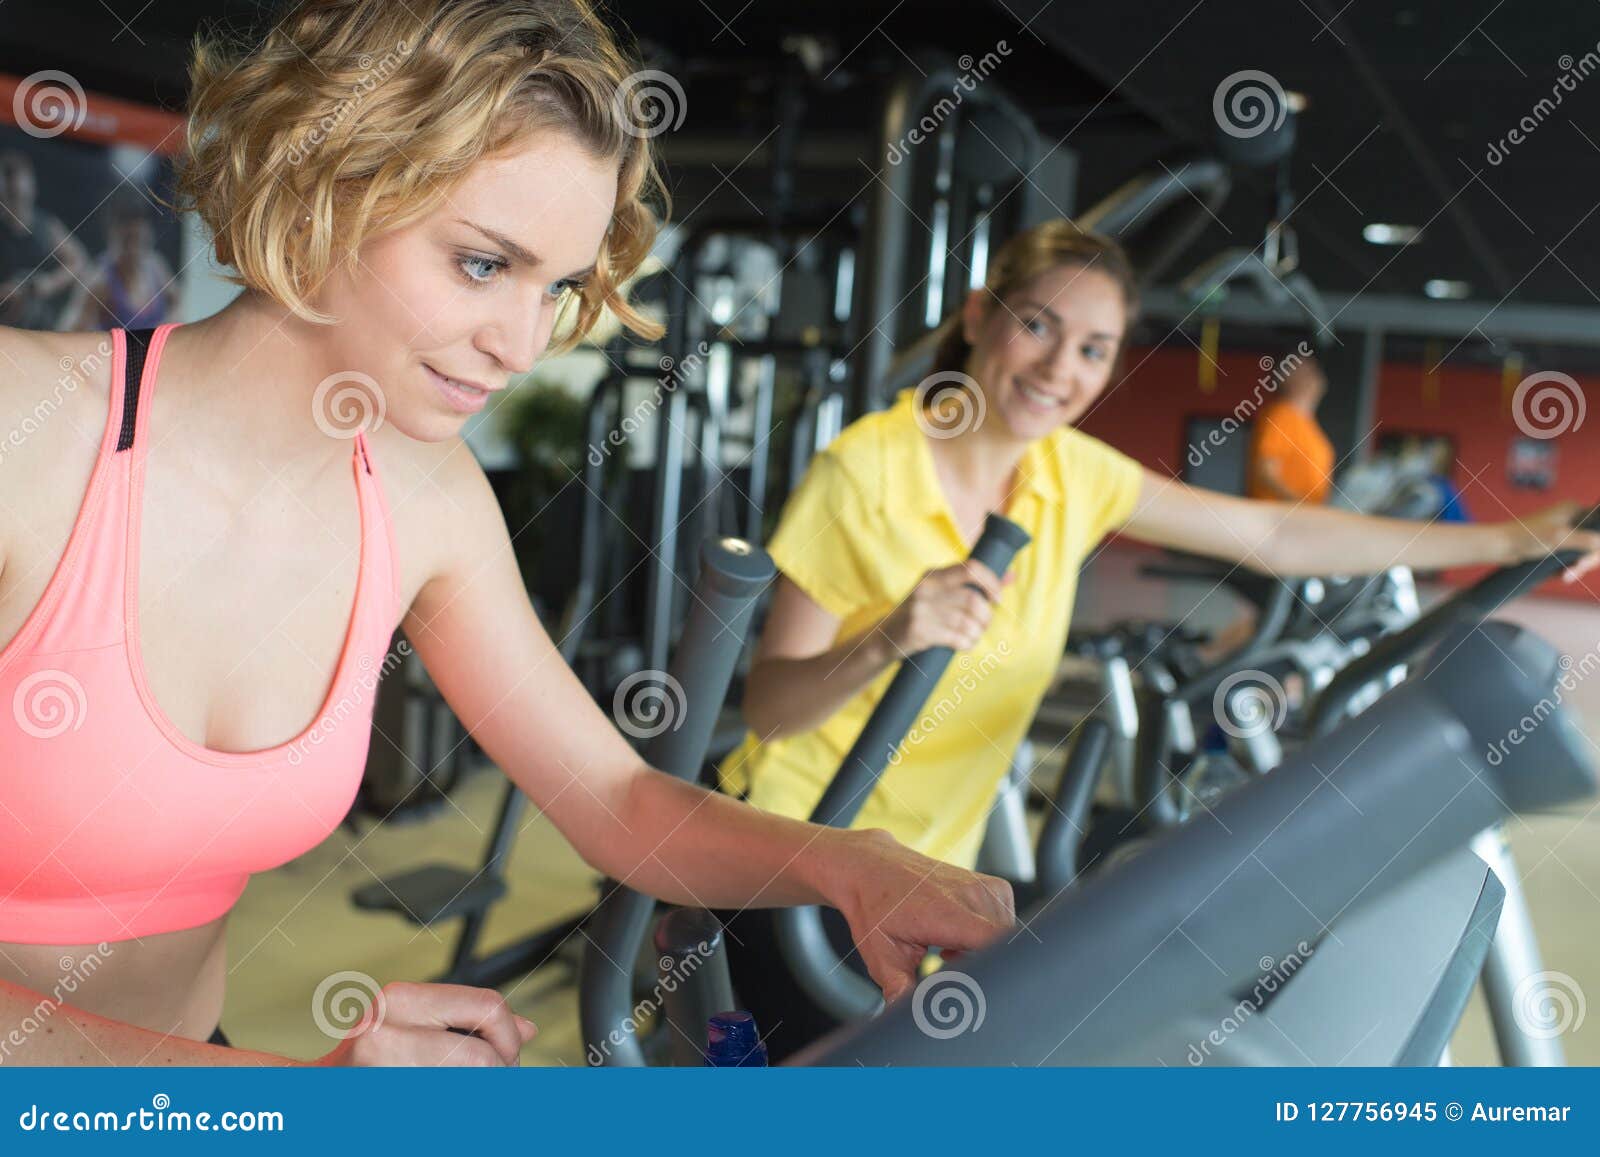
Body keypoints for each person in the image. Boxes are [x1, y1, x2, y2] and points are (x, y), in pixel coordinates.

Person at [0, 0, 1014, 1067]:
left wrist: (847, 863)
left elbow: (616, 800)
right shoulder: (31, 438)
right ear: (323, 190)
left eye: (559, 285)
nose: (521, 342)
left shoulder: (423, 496)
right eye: (483, 264)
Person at [718, 217, 1600, 1058]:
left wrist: (1507, 538)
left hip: (927, 869)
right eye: (1039, 325)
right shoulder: (867, 470)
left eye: (1094, 348)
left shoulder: (1070, 471)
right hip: (802, 860)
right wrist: (889, 637)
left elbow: (1278, 536)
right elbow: (771, 708)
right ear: (981, 317)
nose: (1061, 367)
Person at [0, 149, 90, 330]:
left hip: (38, 324)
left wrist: (45, 284)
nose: (14, 185)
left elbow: (79, 261)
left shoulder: (47, 226)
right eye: (7, 176)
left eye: (18, 175)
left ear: (32, 186)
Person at [73, 199, 176, 331]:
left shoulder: (156, 266)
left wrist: (169, 330)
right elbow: (74, 330)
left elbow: (175, 301)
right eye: (127, 241)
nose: (133, 250)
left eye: (138, 240)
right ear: (112, 236)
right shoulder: (99, 281)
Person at [1245, 351, 1334, 504]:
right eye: (1305, 370)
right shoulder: (1281, 415)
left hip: (1306, 520)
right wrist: (1301, 504)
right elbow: (1265, 473)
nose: (1313, 375)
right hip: (1277, 519)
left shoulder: (1310, 425)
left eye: (1313, 369)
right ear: (1286, 378)